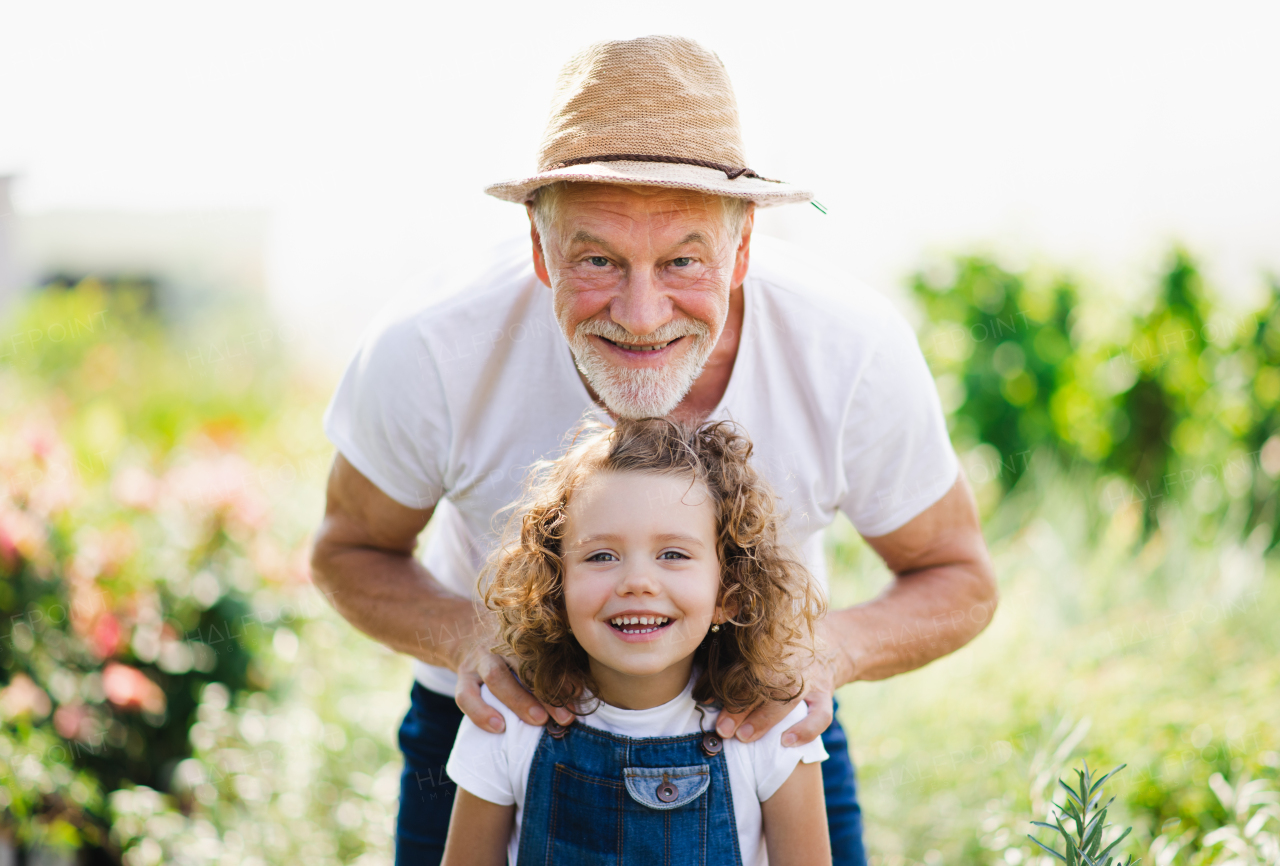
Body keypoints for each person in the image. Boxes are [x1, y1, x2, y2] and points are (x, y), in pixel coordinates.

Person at [311, 35, 998, 866]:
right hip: (495, 724)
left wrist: (824, 653)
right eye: (597, 259)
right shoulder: (430, 349)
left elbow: (959, 576)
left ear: (742, 250)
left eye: (682, 261)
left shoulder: (851, 351)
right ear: (539, 248)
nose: (641, 315)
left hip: (761, 726)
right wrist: (473, 637)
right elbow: (349, 550)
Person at [441, 417, 831, 866]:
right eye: (601, 555)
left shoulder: (773, 730)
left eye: (673, 554)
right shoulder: (506, 721)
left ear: (728, 592)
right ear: (553, 586)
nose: (638, 582)